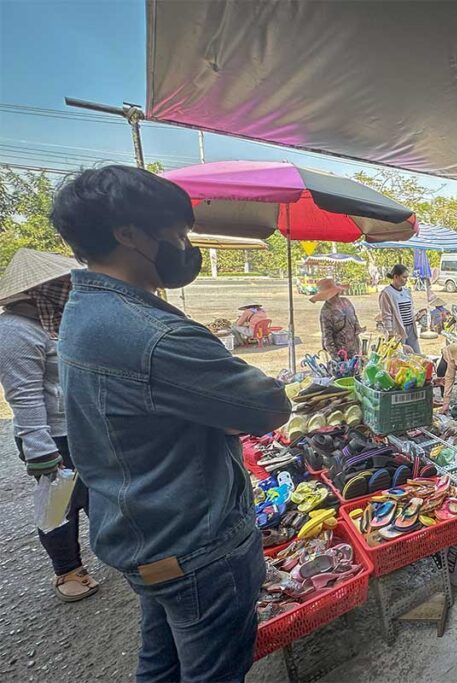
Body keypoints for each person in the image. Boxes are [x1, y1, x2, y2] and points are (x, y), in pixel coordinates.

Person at [50, 165, 291, 682]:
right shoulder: (153, 334)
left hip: (144, 537)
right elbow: (269, 406)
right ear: (129, 234)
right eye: (177, 234)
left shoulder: (83, 311)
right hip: (197, 548)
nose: (184, 247)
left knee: (160, 665)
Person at [0, 249, 99, 602]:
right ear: (38, 289)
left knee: (96, 495)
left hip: (79, 430)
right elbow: (24, 397)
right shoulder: (14, 330)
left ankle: (112, 551)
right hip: (50, 437)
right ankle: (67, 570)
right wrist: (43, 453)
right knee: (59, 506)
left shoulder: (51, 323)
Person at [310, 277, 361, 358]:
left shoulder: (346, 302)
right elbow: (327, 338)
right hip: (341, 352)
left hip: (355, 348)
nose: (336, 295)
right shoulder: (326, 312)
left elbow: (354, 317)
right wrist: (336, 358)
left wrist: (357, 327)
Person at [378, 263, 420, 353]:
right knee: (400, 358)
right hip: (398, 330)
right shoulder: (387, 293)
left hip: (411, 329)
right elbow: (386, 315)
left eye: (407, 277)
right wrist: (390, 333)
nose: (406, 280)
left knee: (416, 355)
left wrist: (417, 315)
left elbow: (411, 308)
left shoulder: (407, 291)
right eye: (404, 277)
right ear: (396, 277)